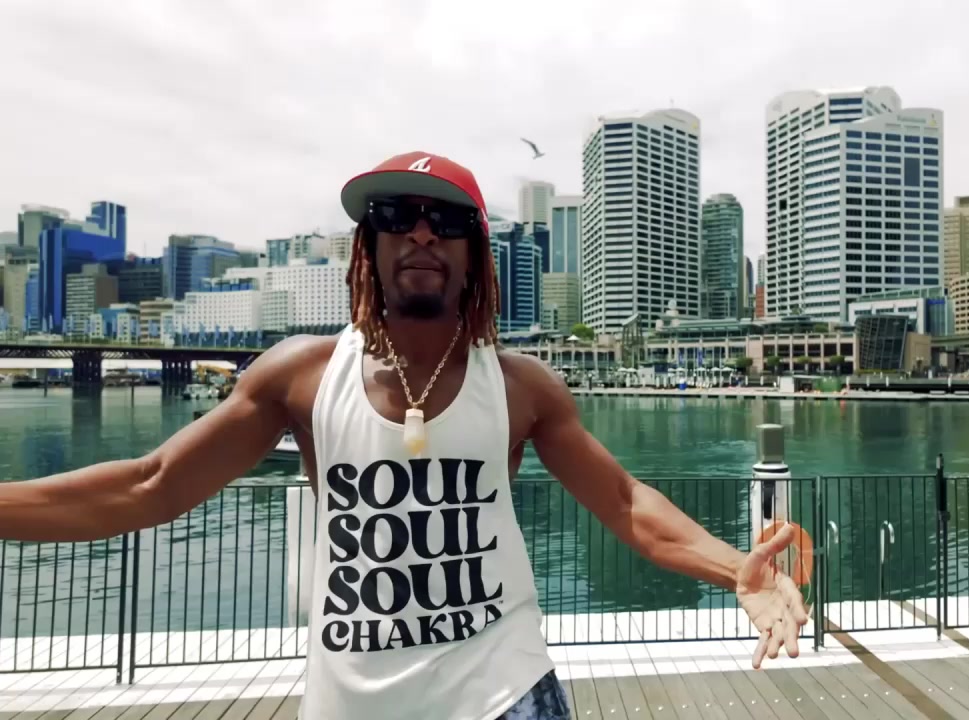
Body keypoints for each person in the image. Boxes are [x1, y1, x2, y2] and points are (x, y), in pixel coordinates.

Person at [0, 151, 809, 720]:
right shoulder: (300, 377)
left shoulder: (521, 388)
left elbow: (626, 503)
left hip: (504, 694)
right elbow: (151, 484)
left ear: (475, 255)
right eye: (397, 217)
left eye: (445, 221)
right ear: (370, 246)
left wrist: (735, 569)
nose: (422, 234)